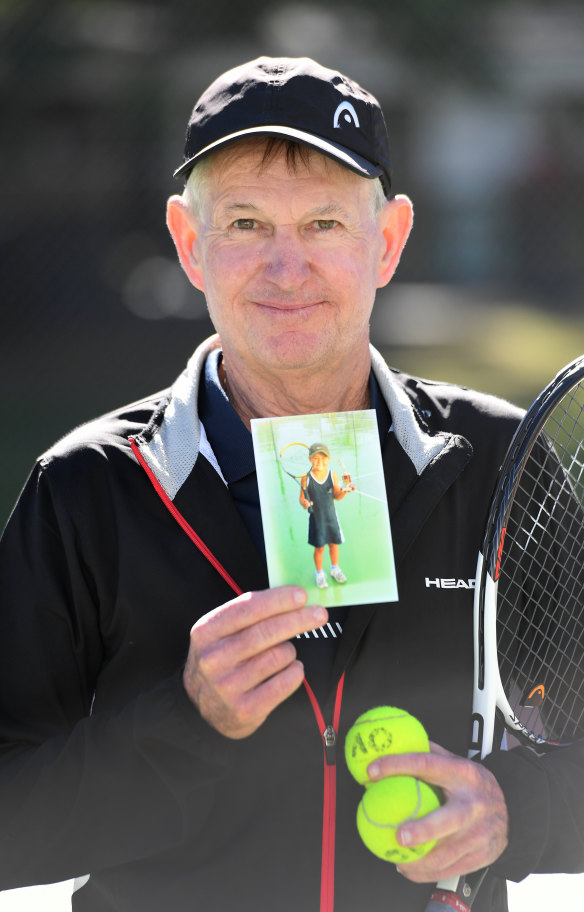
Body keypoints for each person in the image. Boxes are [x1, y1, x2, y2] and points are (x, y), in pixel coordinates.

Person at [0, 56, 582, 912]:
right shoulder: (87, 488)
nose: (285, 268)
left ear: (386, 242)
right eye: (244, 223)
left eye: (322, 223)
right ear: (189, 242)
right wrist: (183, 722)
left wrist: (513, 811)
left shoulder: (500, 463)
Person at [300, 442, 352, 589]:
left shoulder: (332, 474)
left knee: (333, 544)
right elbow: (302, 498)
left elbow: (336, 495)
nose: (320, 462)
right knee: (319, 548)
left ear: (328, 459)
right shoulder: (306, 478)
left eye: (323, 458)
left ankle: (335, 569)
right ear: (310, 459)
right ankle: (319, 573)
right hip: (316, 520)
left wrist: (344, 491)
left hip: (331, 517)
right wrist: (305, 503)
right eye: (316, 458)